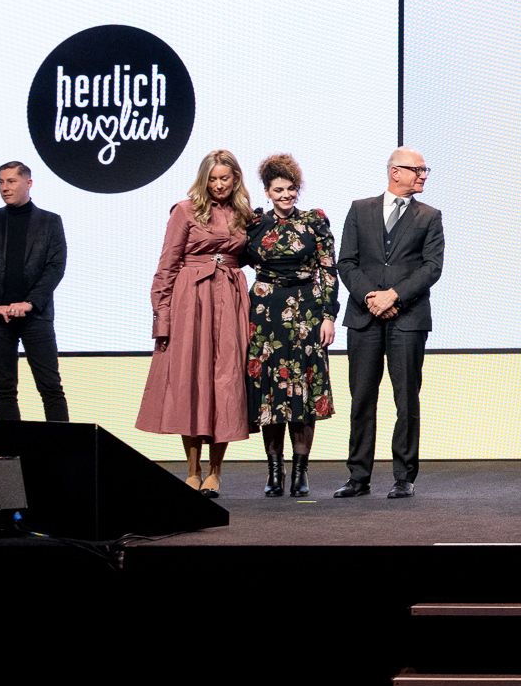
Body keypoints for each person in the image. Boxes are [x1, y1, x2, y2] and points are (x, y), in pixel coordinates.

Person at [137, 150, 253, 495]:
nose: (218, 185)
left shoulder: (245, 214)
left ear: (235, 179)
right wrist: (162, 319)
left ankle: (216, 471)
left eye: (224, 178)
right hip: (191, 301)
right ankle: (193, 469)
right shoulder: (185, 210)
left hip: (230, 299)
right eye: (212, 179)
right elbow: (166, 267)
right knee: (191, 380)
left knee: (226, 382)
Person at [336, 148, 445, 500]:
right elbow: (347, 262)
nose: (423, 175)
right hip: (364, 316)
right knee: (362, 398)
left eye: (425, 170)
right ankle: (358, 477)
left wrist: (394, 296)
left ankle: (404, 477)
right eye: (418, 169)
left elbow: (432, 267)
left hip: (408, 318)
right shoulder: (360, 209)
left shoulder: (430, 216)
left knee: (406, 399)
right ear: (395, 171)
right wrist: (371, 297)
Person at [245, 154, 337, 499]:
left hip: (306, 312)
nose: (286, 195)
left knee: (302, 390)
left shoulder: (315, 221)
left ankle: (300, 471)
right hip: (265, 313)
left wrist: (328, 316)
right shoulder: (255, 223)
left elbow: (328, 270)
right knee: (270, 392)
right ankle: (274, 471)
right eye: (278, 189)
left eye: (290, 189)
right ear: (267, 191)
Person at [0, 161, 69, 425]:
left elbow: (56, 267)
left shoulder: (50, 221)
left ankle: (64, 448)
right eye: (1, 182)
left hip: (36, 316)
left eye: (11, 181)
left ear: (28, 183)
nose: (4, 187)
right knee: (4, 388)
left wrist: (30, 303)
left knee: (50, 386)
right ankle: (11, 449)